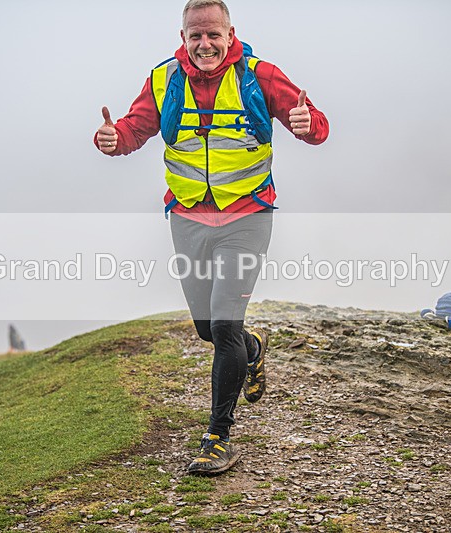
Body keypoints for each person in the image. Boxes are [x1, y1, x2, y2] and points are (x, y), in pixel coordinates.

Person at [95, 0, 328, 474]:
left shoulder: (259, 76)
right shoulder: (163, 80)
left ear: (230, 35)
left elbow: (316, 126)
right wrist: (113, 139)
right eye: (195, 35)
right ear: (183, 38)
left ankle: (218, 436)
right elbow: (135, 130)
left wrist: (308, 126)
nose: (205, 44)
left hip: (247, 216)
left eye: (213, 35)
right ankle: (252, 347)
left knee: (223, 326)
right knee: (208, 329)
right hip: (187, 218)